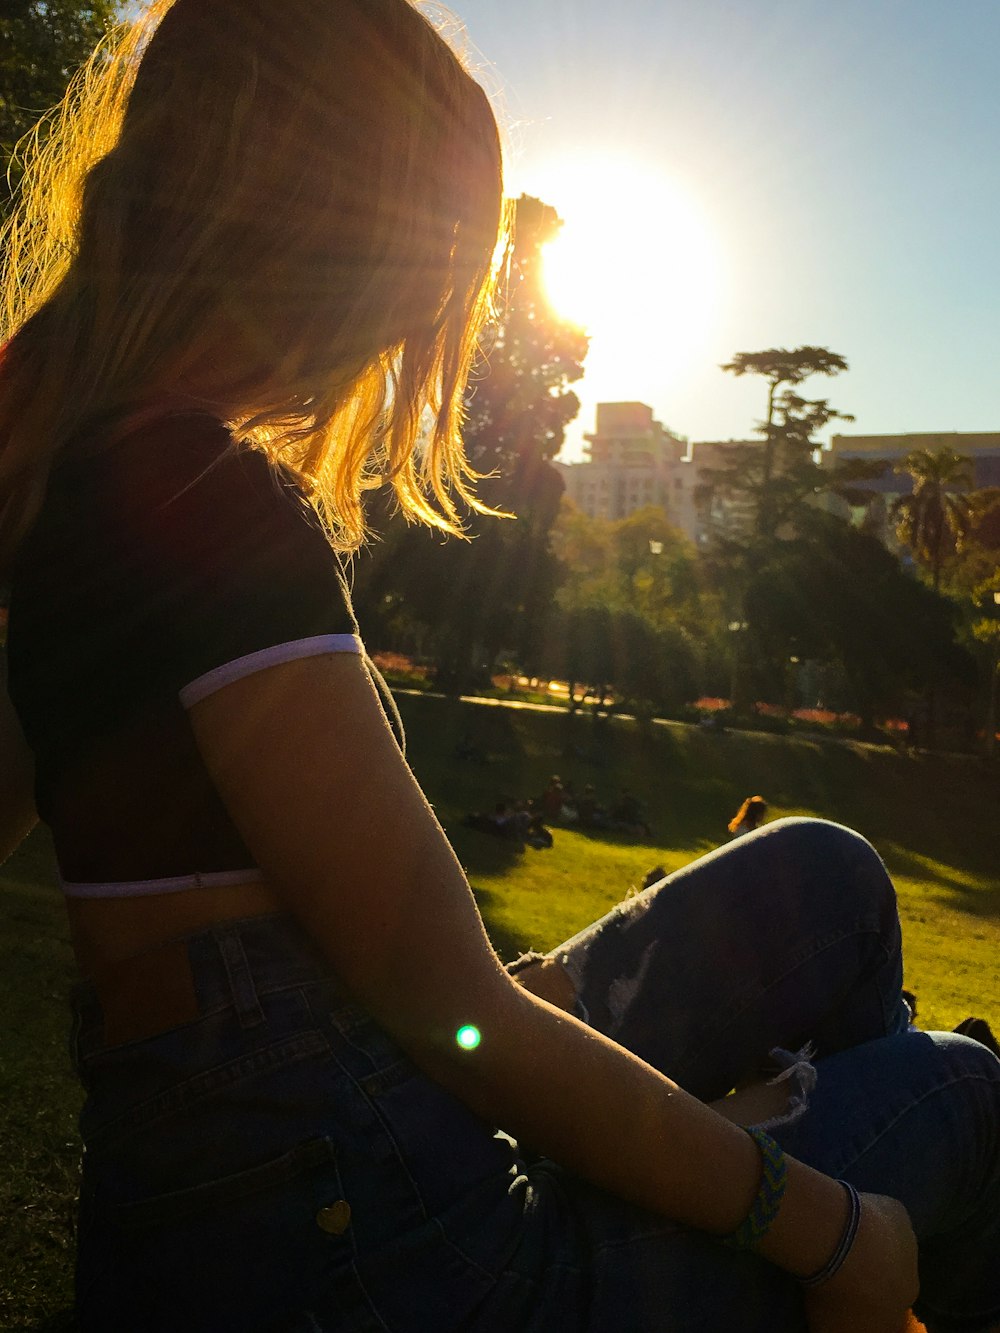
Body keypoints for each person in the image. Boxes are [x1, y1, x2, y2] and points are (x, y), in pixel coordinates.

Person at [0, 3, 997, 1330]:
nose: (409, 344)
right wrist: (824, 1224)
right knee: (957, 1095)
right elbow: (445, 1004)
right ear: (344, 254)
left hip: (275, 1182)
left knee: (827, 879)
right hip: (395, 1257)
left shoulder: (63, 468)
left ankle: (754, 1177)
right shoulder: (205, 500)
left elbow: (301, 936)